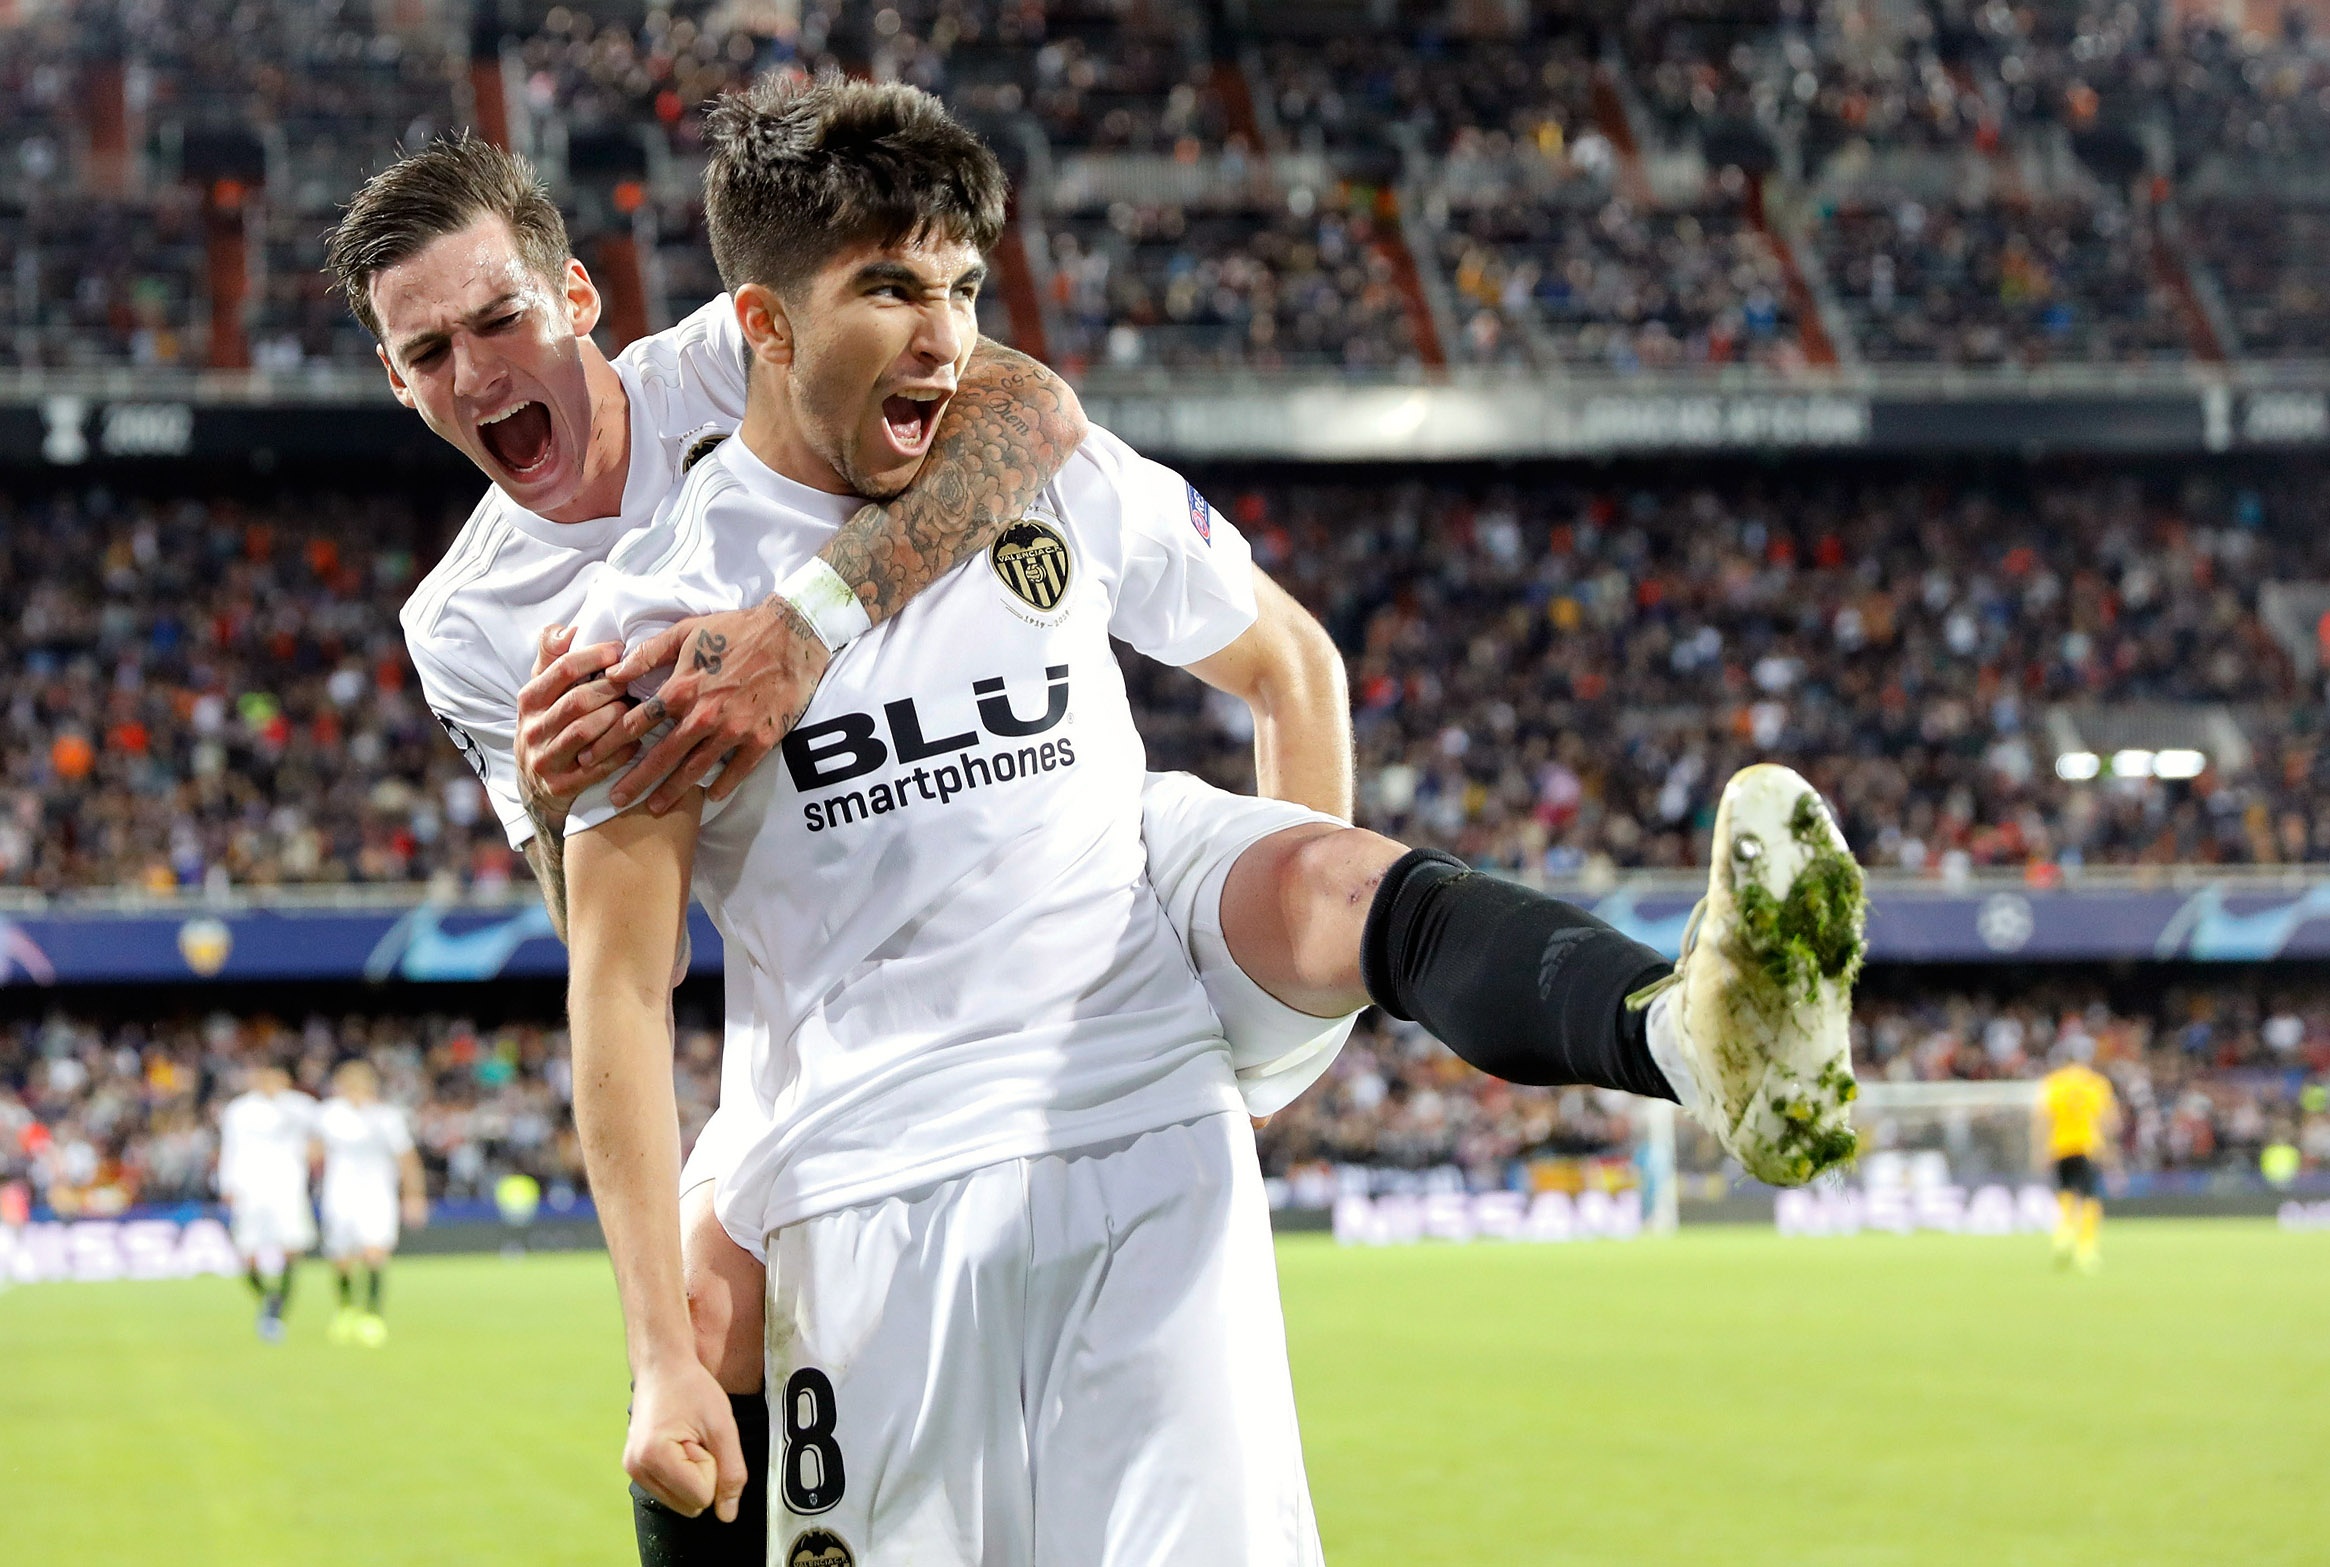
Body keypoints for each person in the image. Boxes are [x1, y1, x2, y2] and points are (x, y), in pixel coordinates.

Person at [555, 75, 1866, 1566]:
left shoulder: (1040, 472)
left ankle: (1683, 1028)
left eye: (962, 287)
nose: (943, 335)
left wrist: (1280, 1038)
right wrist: (658, 1351)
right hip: (872, 1202)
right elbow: (618, 986)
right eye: (889, 288)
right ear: (766, 324)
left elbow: (1290, 665)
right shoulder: (652, 622)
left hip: (1151, 1135)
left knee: (1318, 875)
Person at [318, 1059, 428, 1347]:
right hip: (339, 1193)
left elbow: (407, 1159)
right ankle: (346, 1308)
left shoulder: (386, 1118)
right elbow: (313, 1150)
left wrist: (414, 1195)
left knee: (374, 1252)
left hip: (377, 1193)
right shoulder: (329, 1115)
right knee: (342, 1257)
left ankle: (372, 1314)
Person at [216, 1061, 321, 1344]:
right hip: (250, 1190)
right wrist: (227, 1184)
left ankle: (276, 1312)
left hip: (288, 1189)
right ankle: (268, 1299)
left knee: (291, 1248)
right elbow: (230, 1148)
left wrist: (315, 1152)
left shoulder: (301, 1107)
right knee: (247, 1253)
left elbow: (322, 1135)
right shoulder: (239, 1110)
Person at [2035, 1042, 2119, 1272]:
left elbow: (2041, 1118)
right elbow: (2110, 1120)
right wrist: (2110, 1150)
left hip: (2060, 1146)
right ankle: (2086, 1249)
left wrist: (2040, 1149)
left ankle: (2063, 1233)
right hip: (2088, 1146)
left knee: (2065, 1190)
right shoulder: (2096, 1083)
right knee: (2090, 1196)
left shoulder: (2054, 1083)